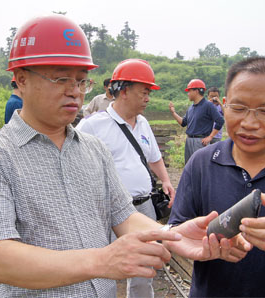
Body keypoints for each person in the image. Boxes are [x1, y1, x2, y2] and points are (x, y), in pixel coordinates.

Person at [0, 15, 238, 298]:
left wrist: (175, 235)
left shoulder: (94, 149)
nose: (75, 92)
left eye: (82, 81)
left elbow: (124, 216)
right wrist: (103, 260)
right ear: (21, 80)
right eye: (61, 79)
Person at [168, 56, 265, 297]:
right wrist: (183, 240)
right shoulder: (201, 163)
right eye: (238, 108)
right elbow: (176, 229)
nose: (249, 123)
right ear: (224, 105)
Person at [77, 58, 175, 298]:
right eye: (144, 91)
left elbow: (153, 157)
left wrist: (166, 180)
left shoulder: (143, 123)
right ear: (125, 91)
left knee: (144, 269)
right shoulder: (92, 126)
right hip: (109, 212)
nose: (148, 98)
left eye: (149, 92)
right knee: (105, 269)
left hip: (144, 209)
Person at [168, 79, 224, 164]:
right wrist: (173, 112)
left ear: (197, 91)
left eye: (189, 91)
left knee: (201, 167)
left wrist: (210, 137)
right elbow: (183, 123)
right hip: (189, 140)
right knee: (189, 167)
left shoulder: (208, 105)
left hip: (200, 142)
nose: (188, 94)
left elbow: (220, 120)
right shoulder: (191, 108)